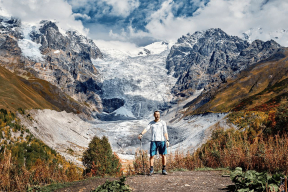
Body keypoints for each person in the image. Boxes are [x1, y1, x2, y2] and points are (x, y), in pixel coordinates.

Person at [138, 110, 169, 176]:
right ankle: (151, 170)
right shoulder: (151, 123)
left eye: (158, 114)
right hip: (153, 141)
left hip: (162, 141)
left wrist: (167, 140)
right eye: (156, 114)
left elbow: (165, 132)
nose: (157, 115)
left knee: (163, 155)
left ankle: (164, 169)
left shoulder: (163, 123)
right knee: (152, 156)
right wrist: (141, 134)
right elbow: (146, 129)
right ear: (154, 115)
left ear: (160, 115)